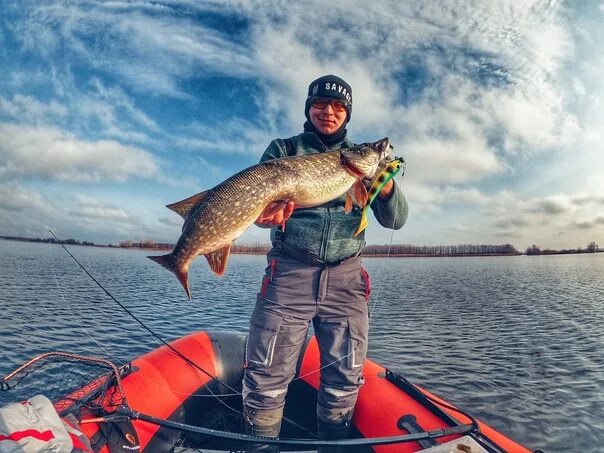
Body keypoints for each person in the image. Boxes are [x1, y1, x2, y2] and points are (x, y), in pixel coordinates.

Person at [242, 75, 408, 452]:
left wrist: (387, 188)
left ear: (347, 114)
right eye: (320, 104)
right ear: (309, 108)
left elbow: (396, 219)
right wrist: (265, 215)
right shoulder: (283, 148)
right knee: (266, 378)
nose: (329, 111)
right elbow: (257, 203)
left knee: (344, 380)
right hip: (289, 275)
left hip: (346, 280)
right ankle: (259, 446)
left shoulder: (361, 160)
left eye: (338, 106)